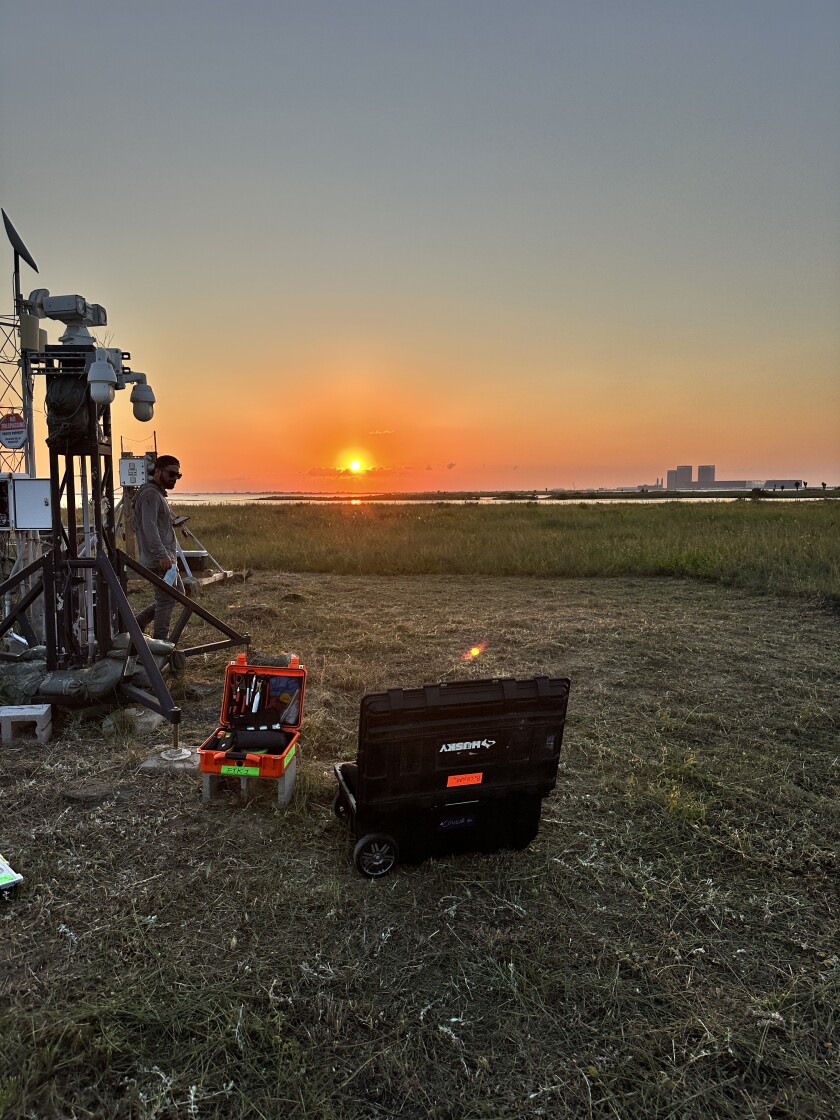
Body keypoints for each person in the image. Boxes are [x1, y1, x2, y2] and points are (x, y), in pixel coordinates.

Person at [133, 455, 184, 640]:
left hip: (166, 559)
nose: (174, 478)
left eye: (177, 475)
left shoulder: (156, 493)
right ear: (157, 471)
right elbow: (149, 526)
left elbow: (157, 522)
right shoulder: (150, 494)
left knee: (177, 594)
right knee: (166, 600)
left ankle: (138, 623)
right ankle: (160, 643)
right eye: (171, 473)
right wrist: (161, 554)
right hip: (160, 560)